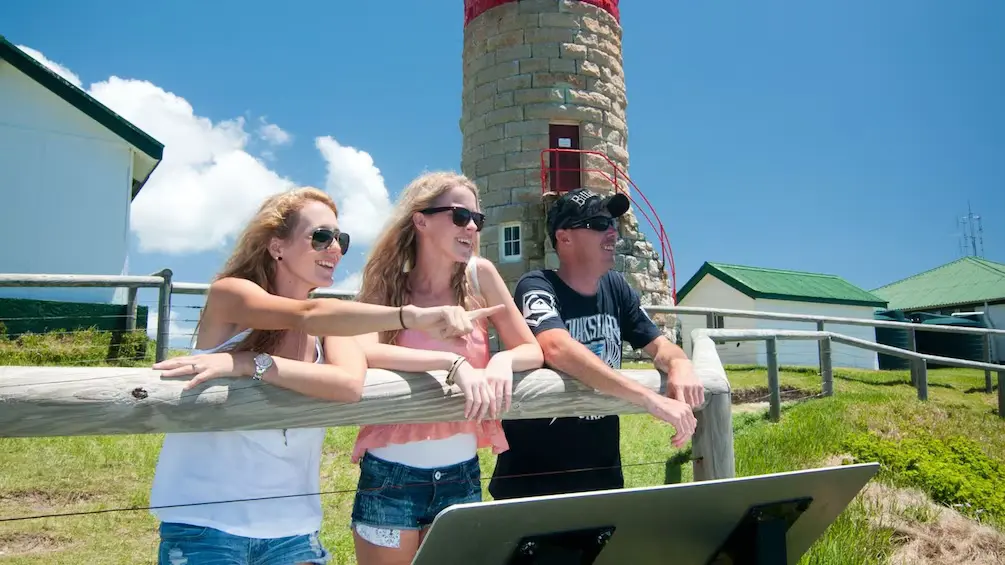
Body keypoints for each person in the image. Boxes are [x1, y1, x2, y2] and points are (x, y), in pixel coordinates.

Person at [147, 187, 502, 565]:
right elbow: (304, 313)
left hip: (294, 531)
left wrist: (252, 363)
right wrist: (410, 317)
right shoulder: (230, 294)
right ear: (276, 245)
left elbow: (349, 385)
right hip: (206, 526)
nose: (334, 248)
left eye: (340, 239)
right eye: (320, 237)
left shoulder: (332, 321)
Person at [348, 171, 544, 564]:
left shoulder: (481, 275)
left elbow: (531, 350)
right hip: (391, 476)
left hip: (462, 476)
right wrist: (451, 363)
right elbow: (363, 351)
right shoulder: (388, 284)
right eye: (459, 215)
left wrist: (502, 358)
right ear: (420, 220)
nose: (471, 226)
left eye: (477, 219)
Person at [487, 188, 705, 501]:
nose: (612, 233)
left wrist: (680, 364)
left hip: (602, 478)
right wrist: (649, 399)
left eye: (612, 224)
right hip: (533, 484)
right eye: (598, 225)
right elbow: (556, 347)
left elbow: (661, 346)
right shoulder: (537, 285)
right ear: (564, 238)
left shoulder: (617, 287)